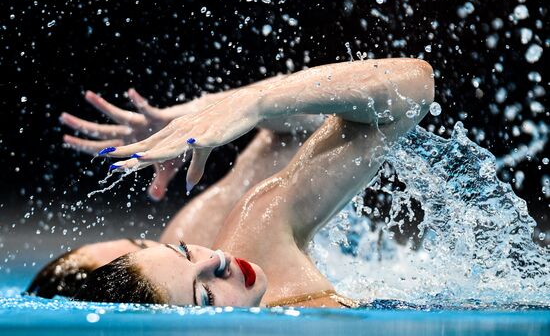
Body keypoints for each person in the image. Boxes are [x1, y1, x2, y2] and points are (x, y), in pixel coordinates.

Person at [27, 58, 434, 307]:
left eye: (177, 250)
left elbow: (409, 87)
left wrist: (217, 111)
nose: (215, 259)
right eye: (202, 295)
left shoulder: (248, 238)